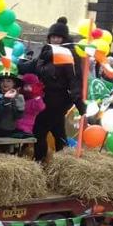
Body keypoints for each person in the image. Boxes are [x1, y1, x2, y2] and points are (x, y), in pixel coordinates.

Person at [33, 17, 85, 161]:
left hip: (58, 99)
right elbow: (36, 68)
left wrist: (78, 101)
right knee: (58, 131)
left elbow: (74, 79)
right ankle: (63, 164)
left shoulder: (67, 55)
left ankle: (40, 162)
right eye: (53, 37)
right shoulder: (45, 52)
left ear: (64, 39)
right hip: (45, 97)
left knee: (39, 131)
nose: (55, 40)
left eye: (58, 37)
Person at [0, 64, 25, 137]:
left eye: (8, 81)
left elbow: (19, 116)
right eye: (2, 81)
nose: (5, 83)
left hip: (6, 129)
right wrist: (6, 101)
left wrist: (20, 109)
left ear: (14, 83)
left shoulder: (18, 97)